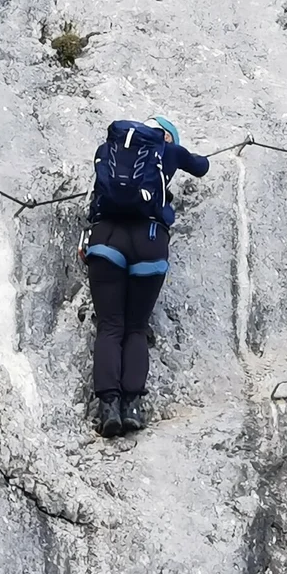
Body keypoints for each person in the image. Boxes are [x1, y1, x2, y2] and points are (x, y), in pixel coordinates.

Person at [84, 115, 209, 436]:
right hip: (150, 242)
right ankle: (133, 406)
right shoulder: (170, 151)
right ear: (167, 137)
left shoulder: (109, 150)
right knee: (136, 328)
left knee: (110, 326)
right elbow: (202, 166)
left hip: (106, 239)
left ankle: (108, 407)